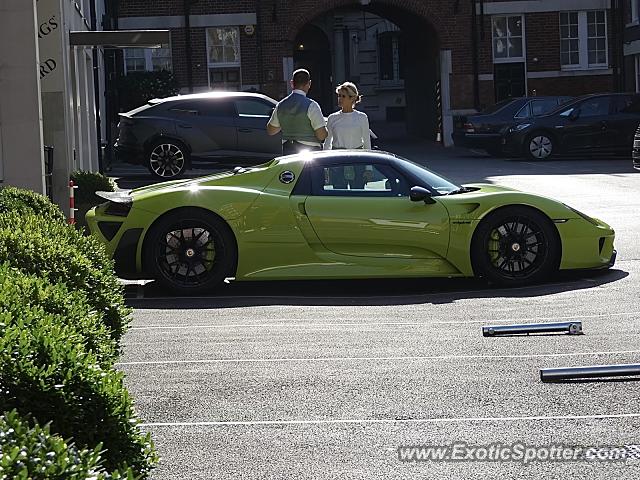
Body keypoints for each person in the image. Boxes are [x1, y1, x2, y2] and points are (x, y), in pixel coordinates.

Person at [266, 69, 327, 155]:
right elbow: (321, 135)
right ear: (309, 84)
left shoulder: (281, 105)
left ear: (292, 83)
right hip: (310, 152)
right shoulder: (312, 105)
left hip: (288, 151)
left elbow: (271, 130)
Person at [323, 82, 371, 151]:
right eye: (339, 96)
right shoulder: (332, 118)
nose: (340, 99)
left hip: (357, 156)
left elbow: (367, 143)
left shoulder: (362, 117)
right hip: (337, 156)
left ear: (352, 98)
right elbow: (327, 142)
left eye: (343, 96)